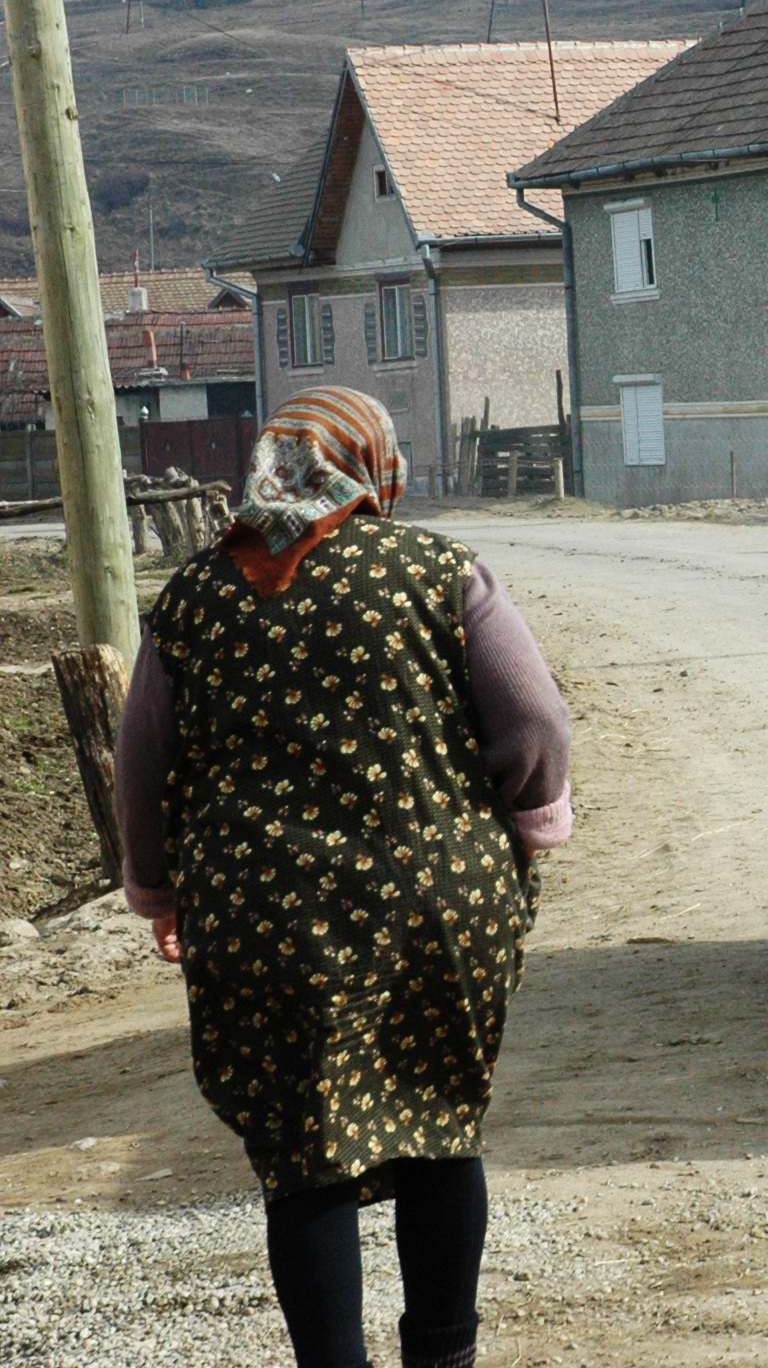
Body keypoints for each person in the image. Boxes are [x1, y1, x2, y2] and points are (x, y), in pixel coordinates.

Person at [116, 387, 572, 1368]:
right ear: (373, 463)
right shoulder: (439, 571)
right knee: (438, 1121)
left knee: (305, 1151)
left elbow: (142, 762)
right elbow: (533, 721)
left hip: (258, 918)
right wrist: (527, 821)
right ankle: (442, 1354)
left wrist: (155, 890)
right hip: (432, 905)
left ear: (270, 466)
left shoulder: (195, 598)